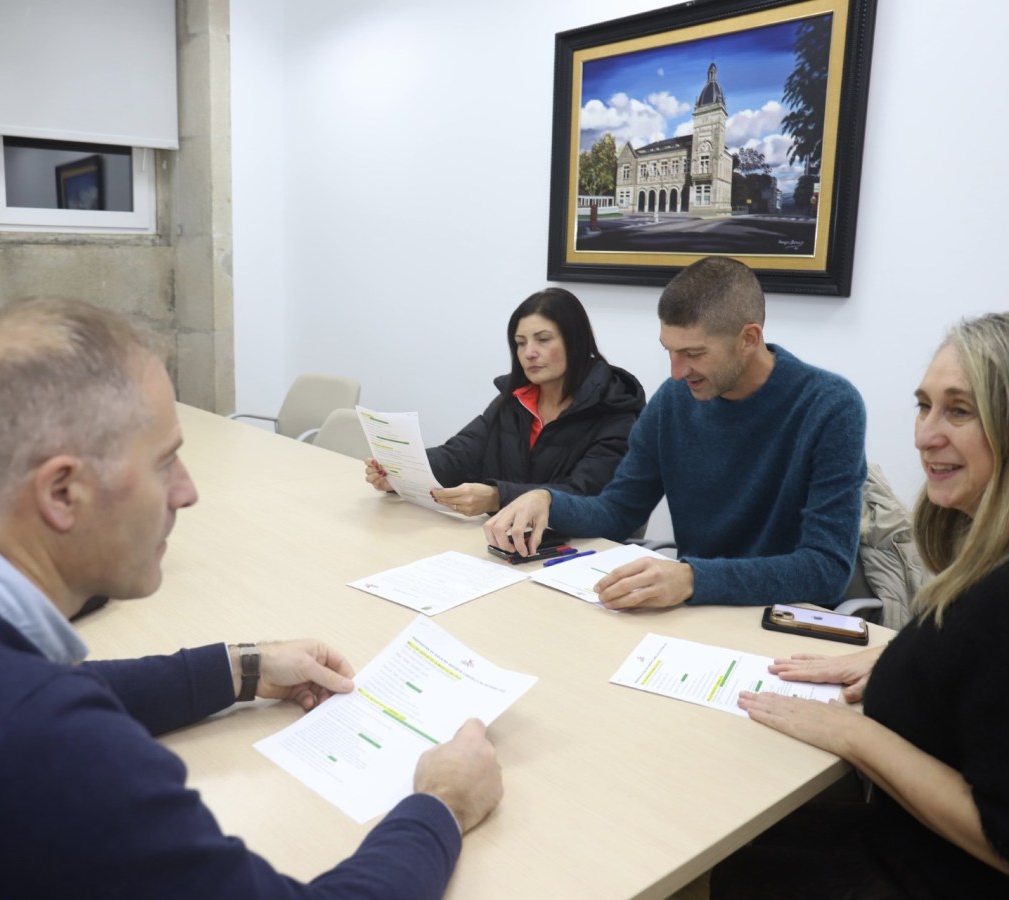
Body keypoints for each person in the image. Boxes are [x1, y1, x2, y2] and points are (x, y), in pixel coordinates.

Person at [0, 298, 503, 899]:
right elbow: (40, 718)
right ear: (62, 492)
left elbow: (41, 689)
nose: (187, 492)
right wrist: (439, 803)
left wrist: (240, 667)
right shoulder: (54, 756)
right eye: (165, 462)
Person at [714, 313, 1009, 898]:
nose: (925, 436)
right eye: (923, 406)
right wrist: (912, 665)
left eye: (959, 410)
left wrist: (852, 736)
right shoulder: (982, 568)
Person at [485, 257, 866, 610]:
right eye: (669, 350)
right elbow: (618, 511)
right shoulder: (673, 401)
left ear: (749, 339)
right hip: (693, 612)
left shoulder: (830, 406)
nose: (677, 372)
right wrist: (547, 500)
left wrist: (692, 578)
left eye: (694, 353)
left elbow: (826, 571)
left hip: (781, 621)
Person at [366, 288, 645, 516]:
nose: (530, 353)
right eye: (521, 343)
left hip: (572, 551)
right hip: (503, 540)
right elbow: (460, 454)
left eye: (543, 340)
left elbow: (584, 495)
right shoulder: (513, 401)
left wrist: (498, 497)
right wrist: (398, 472)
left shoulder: (614, 413)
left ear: (576, 343)